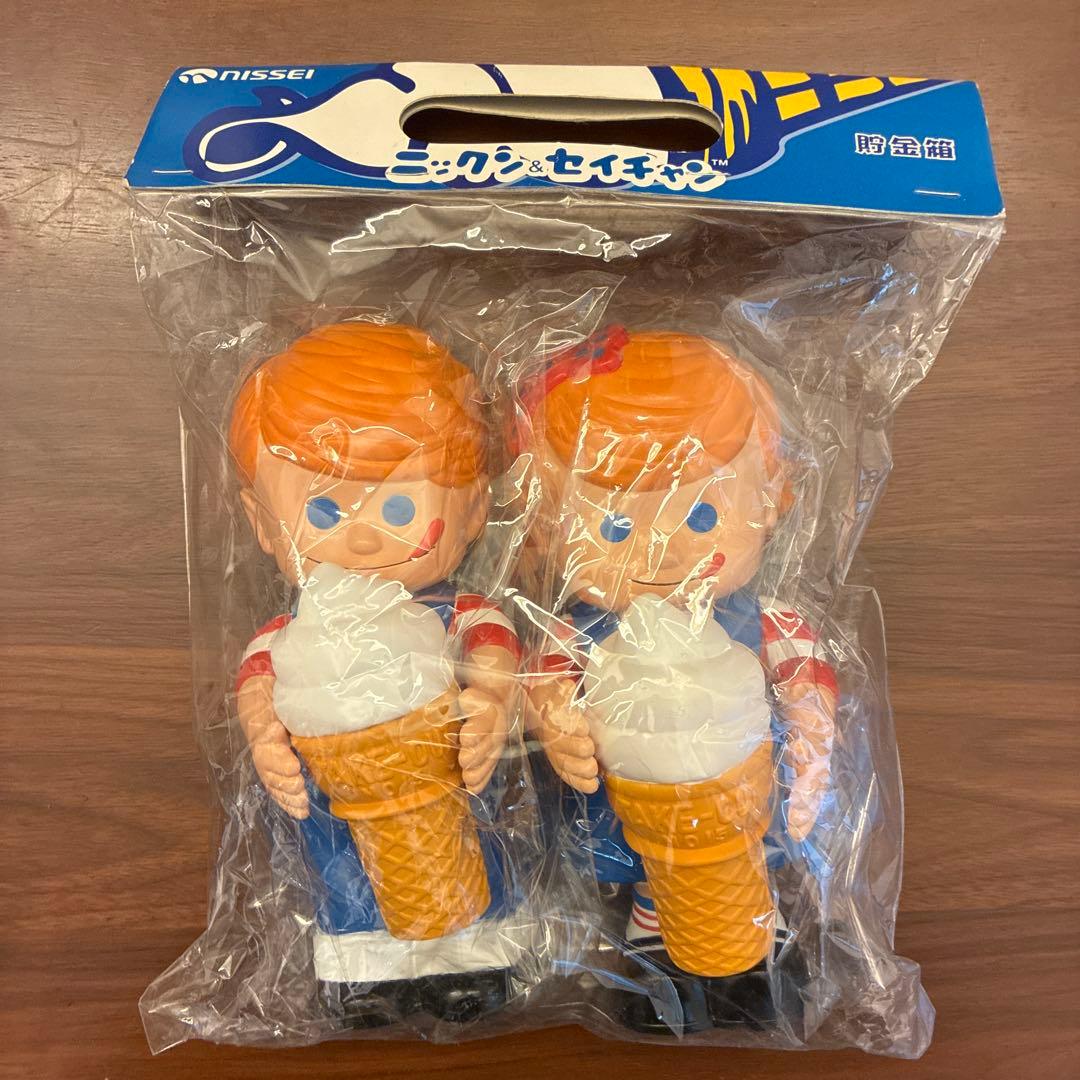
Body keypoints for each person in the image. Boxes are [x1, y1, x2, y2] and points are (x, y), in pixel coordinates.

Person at [524, 327, 836, 1033]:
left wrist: (813, 730)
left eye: (702, 514)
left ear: (772, 499)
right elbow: (543, 677)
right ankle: (655, 951)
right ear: (544, 526)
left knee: (739, 863)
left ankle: (755, 954)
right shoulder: (577, 629)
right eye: (613, 528)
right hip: (628, 790)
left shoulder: (762, 620)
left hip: (743, 784)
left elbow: (804, 674)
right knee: (650, 867)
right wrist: (557, 720)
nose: (661, 552)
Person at [229, 321, 526, 1026]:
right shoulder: (292, 631)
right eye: (324, 508)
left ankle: (469, 958)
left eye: (398, 507)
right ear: (262, 522)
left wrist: (491, 701)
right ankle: (364, 971)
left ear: (474, 510)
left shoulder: (451, 610)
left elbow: (494, 646)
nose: (361, 536)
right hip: (328, 789)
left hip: (452, 774)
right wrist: (267, 741)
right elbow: (258, 682)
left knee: (469, 853)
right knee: (344, 872)